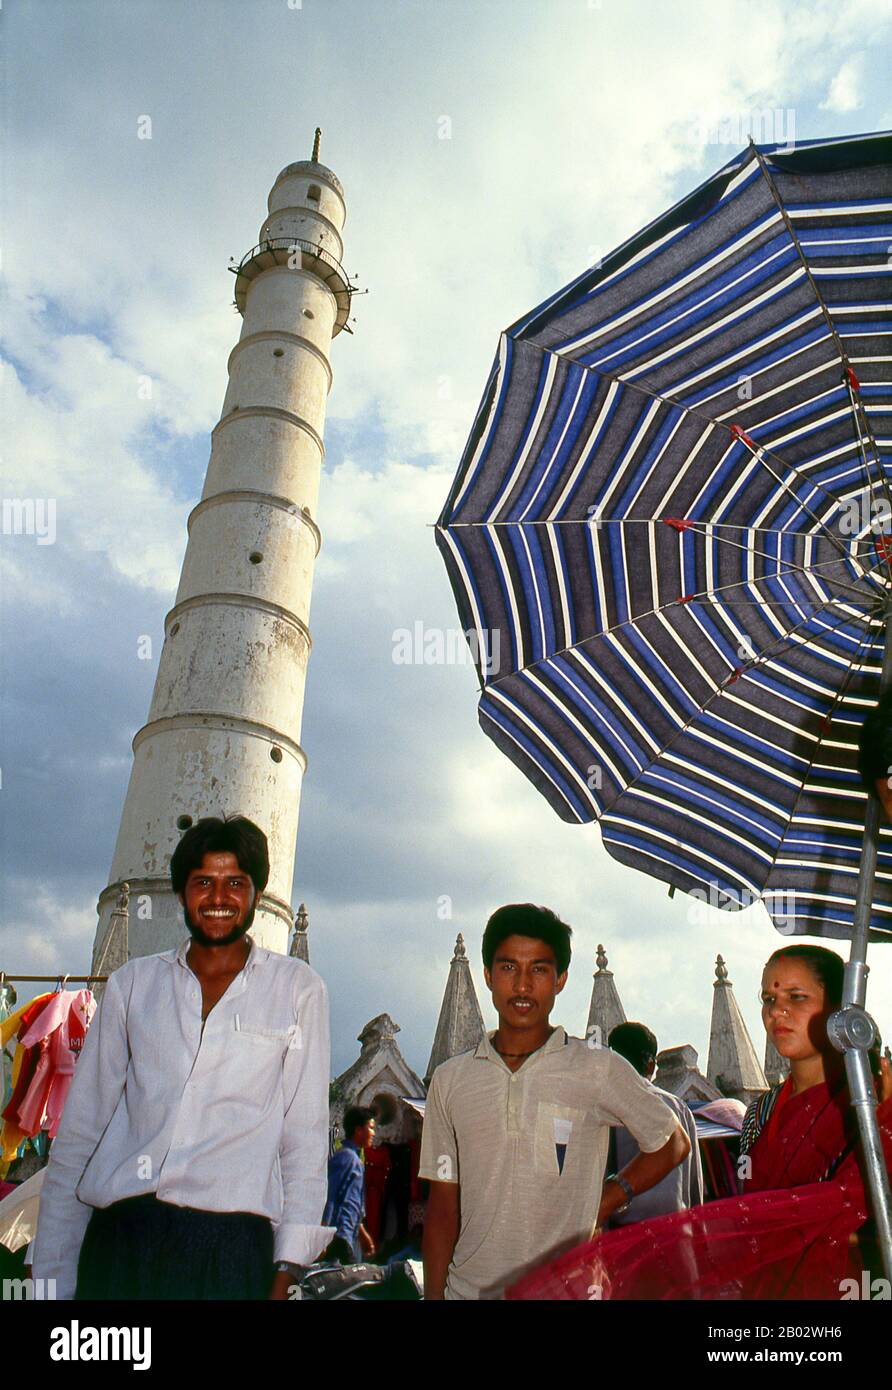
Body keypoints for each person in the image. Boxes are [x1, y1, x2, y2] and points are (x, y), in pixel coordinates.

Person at [31, 816, 333, 1300]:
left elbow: (304, 1138)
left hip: (230, 1250)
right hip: (122, 1242)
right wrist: (51, 1279)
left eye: (236, 882)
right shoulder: (133, 985)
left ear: (257, 893)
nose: (219, 899)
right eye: (203, 883)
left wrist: (288, 1268)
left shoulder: (297, 990)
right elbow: (80, 1132)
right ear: (181, 893)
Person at [507, 941, 892, 1300]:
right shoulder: (760, 1111)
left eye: (797, 997)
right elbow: (744, 1215)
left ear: (842, 1012)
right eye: (769, 998)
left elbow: (871, 1218)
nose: (777, 1011)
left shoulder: (871, 1106)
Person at [419, 903, 690, 1300]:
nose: (523, 985)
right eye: (509, 968)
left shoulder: (596, 1068)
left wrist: (607, 1199)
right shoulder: (451, 1080)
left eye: (539, 970)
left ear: (560, 979)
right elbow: (442, 1208)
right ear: (488, 976)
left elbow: (673, 1141)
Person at [607, 1021, 703, 1225]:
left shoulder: (607, 1108)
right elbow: (695, 1184)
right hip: (676, 1232)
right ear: (650, 1065)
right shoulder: (679, 1108)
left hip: (625, 1236)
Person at [323, 1106, 377, 1263]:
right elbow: (330, 1195)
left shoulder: (355, 1159)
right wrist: (323, 1234)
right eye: (371, 1128)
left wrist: (363, 1235)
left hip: (347, 1235)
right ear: (358, 1130)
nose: (373, 1133)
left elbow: (351, 1205)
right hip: (338, 1236)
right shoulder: (346, 1158)